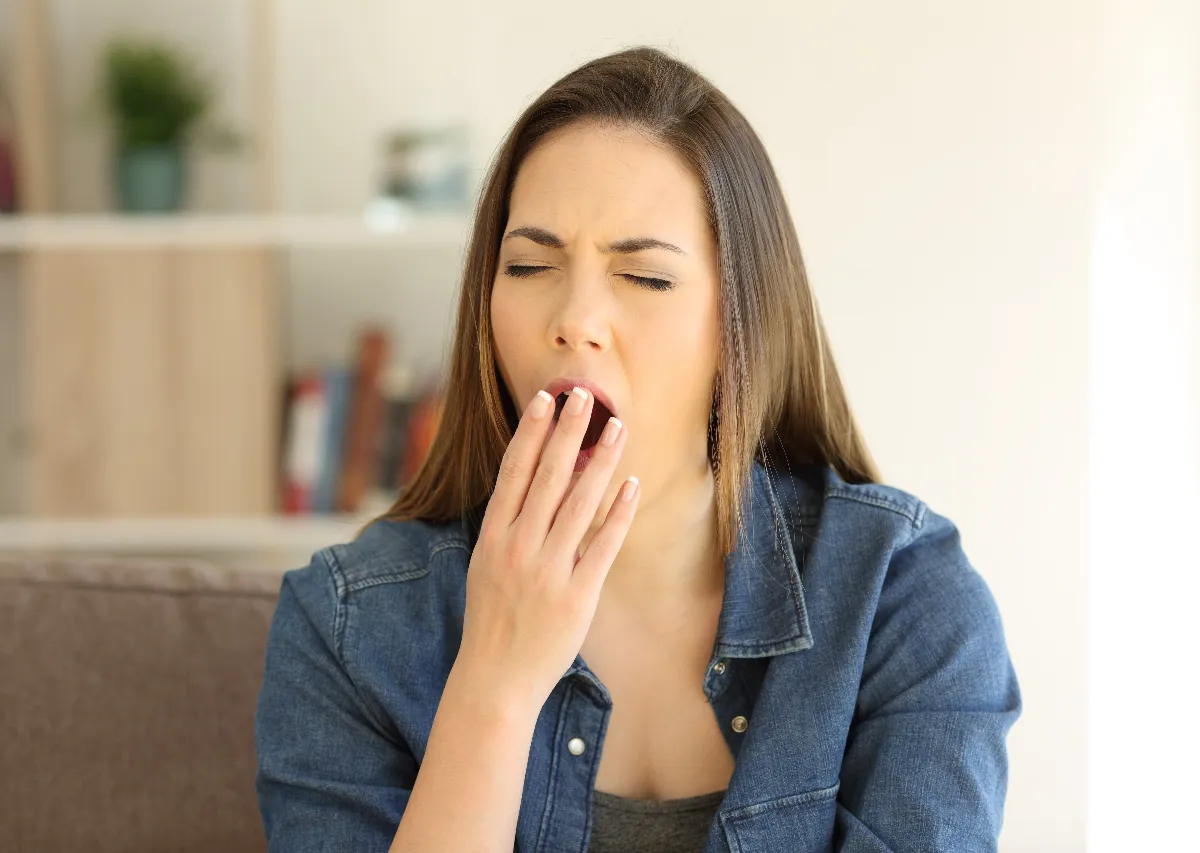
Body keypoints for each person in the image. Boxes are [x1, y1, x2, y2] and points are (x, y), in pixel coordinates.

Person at [254, 46, 1021, 853]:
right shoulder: (345, 625)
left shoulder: (905, 600)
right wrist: (495, 686)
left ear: (739, 329)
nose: (575, 317)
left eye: (646, 277)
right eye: (529, 264)